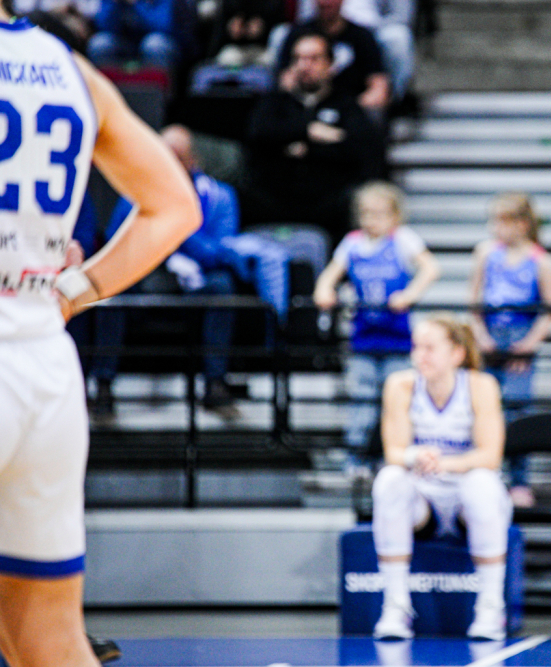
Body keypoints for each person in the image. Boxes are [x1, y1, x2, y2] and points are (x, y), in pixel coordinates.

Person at [0, 10, 201, 667]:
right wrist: (71, 292)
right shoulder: (71, 70)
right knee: (49, 641)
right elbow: (176, 208)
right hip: (42, 356)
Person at [91, 124, 284, 416]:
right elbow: (116, 242)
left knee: (222, 286)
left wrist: (176, 224)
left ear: (193, 159)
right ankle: (103, 386)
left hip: (198, 278)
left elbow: (220, 252)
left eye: (178, 156)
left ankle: (215, 385)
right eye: (164, 155)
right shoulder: (135, 191)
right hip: (150, 274)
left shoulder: (220, 196)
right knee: (113, 288)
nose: (170, 163)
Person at [371, 315, 511, 641]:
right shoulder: (400, 385)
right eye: (416, 347)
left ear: (457, 354)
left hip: (465, 498)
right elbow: (394, 451)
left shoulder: (480, 386)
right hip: (423, 502)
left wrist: (444, 463)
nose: (420, 355)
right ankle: (395, 607)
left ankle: (490, 607)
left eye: (430, 348)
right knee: (389, 479)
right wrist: (414, 456)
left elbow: (490, 456)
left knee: (483, 483)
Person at [313, 182, 439, 456]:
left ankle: (396, 453)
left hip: (398, 339)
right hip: (363, 338)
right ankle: (357, 457)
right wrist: (324, 290)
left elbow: (430, 268)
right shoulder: (352, 243)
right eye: (366, 213)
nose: (371, 220)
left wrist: (409, 295)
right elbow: (329, 275)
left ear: (395, 216)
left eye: (379, 214)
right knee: (361, 398)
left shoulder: (403, 239)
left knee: (399, 399)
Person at [469, 192, 551, 508]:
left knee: (517, 412)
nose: (496, 229)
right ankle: (485, 474)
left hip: (521, 339)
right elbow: (474, 301)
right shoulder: (485, 253)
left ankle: (519, 480)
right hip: (490, 337)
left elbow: (550, 308)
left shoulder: (539, 260)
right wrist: (480, 335)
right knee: (483, 407)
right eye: (494, 222)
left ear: (522, 224)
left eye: (503, 222)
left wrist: (529, 344)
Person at [245, 32, 381, 237]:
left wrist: (305, 149)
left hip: (327, 202)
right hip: (275, 197)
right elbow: (258, 134)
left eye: (313, 59)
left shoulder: (346, 106)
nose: (304, 66)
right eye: (298, 59)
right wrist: (309, 130)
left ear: (330, 65)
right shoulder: (274, 103)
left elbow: (357, 149)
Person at [276, 0, 391, 115]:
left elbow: (379, 87)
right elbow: (285, 82)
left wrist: (348, 110)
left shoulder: (362, 36)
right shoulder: (298, 34)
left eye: (315, 58)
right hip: (306, 107)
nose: (326, 3)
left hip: (350, 109)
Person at [340, 0, 415, 101]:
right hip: (335, 24)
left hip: (376, 28)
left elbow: (402, 16)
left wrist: (371, 25)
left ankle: (395, 100)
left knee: (399, 36)